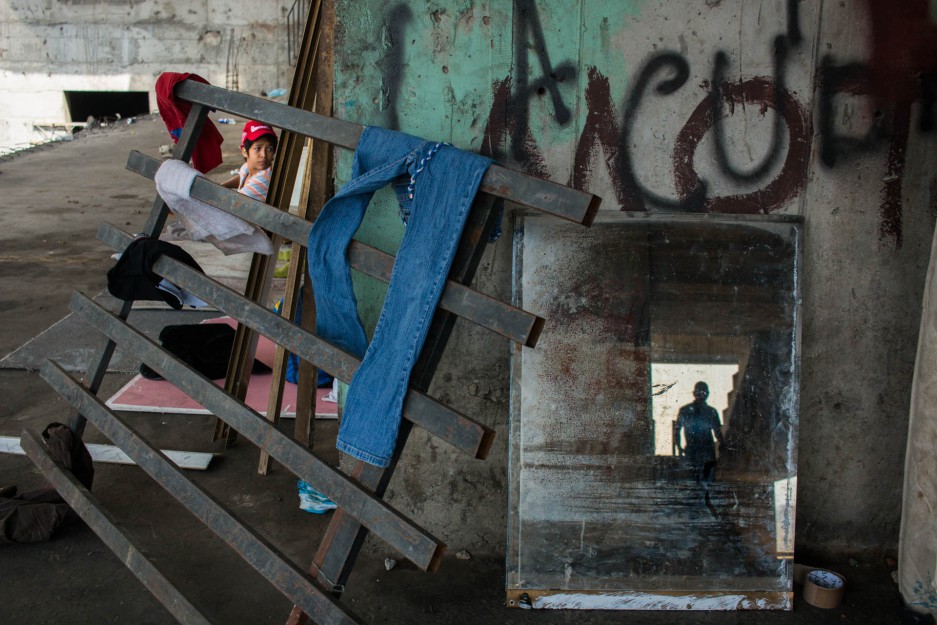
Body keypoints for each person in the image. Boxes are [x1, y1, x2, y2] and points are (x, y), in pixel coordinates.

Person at [675, 381, 727, 483]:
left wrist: (679, 447)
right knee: (705, 481)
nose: (701, 395)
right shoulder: (711, 411)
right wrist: (722, 444)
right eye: (700, 392)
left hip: (698, 450)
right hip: (702, 450)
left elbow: (677, 430)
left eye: (702, 392)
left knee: (695, 481)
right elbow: (717, 431)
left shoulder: (685, 410)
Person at [222, 120, 278, 201]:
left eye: (269, 149)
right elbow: (241, 177)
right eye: (258, 148)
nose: (263, 155)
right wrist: (222, 186)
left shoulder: (264, 179)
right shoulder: (247, 167)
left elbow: (234, 202)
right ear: (245, 152)